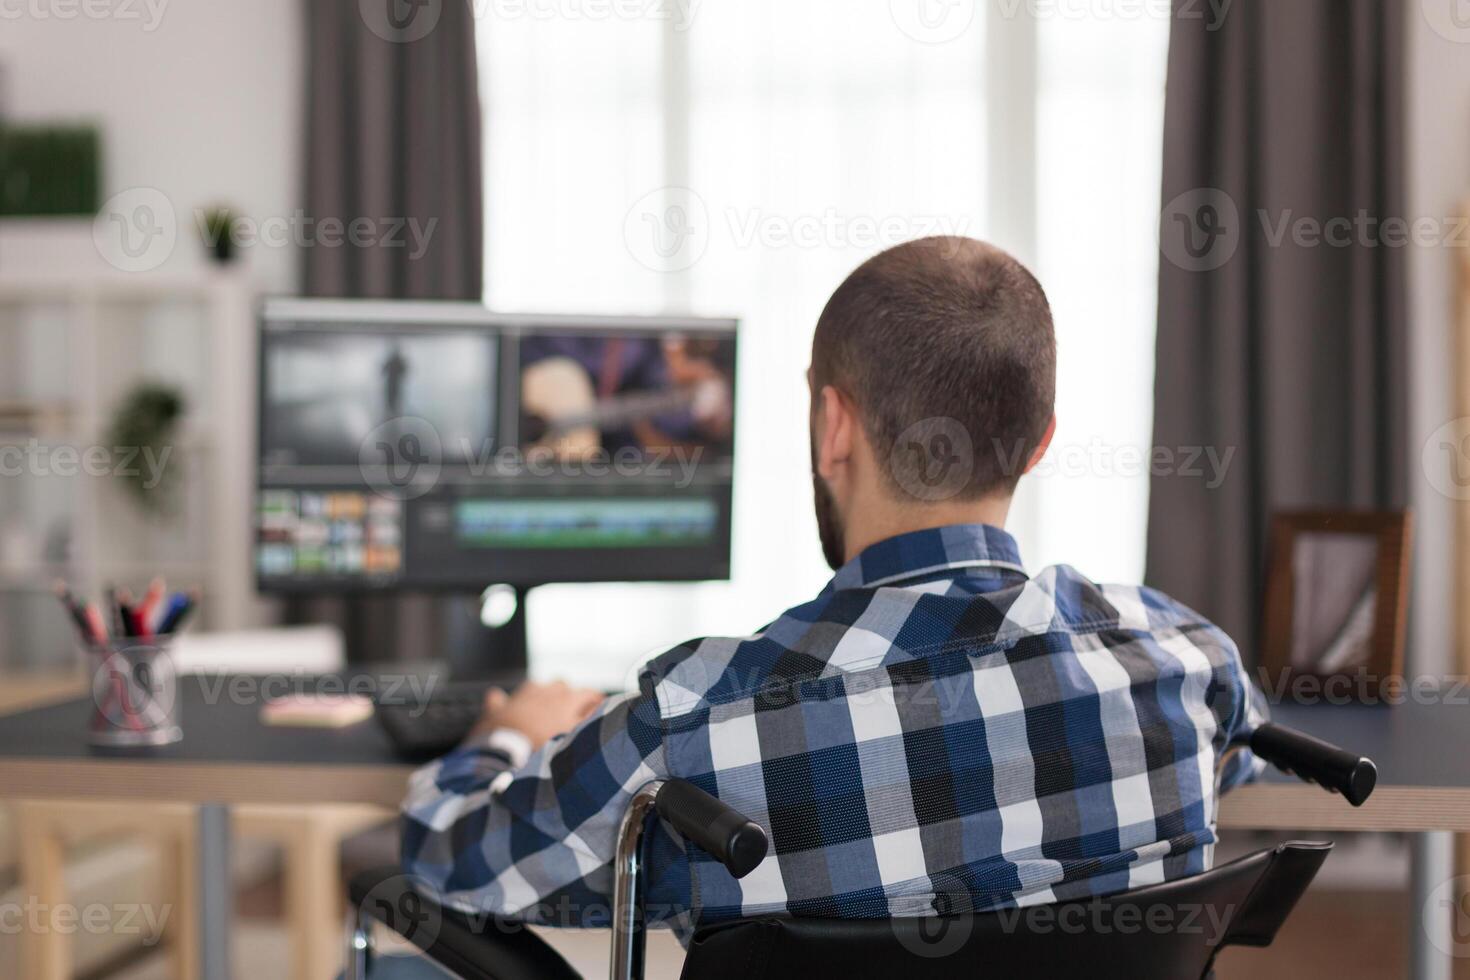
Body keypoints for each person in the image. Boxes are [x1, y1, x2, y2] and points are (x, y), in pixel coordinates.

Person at [399, 236, 1265, 953]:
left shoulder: (696, 722)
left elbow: (455, 861)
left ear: (834, 426)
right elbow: (1246, 749)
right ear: (1038, 443)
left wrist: (505, 734)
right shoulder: (1180, 659)